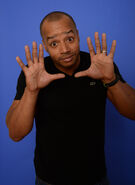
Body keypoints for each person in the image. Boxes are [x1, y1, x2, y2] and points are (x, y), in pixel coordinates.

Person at [6, 11, 135, 185]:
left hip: (95, 177)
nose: (65, 49)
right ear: (44, 46)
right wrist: (32, 90)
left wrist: (110, 79)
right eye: (54, 43)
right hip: (48, 179)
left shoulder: (99, 63)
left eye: (69, 39)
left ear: (78, 35)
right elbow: (15, 133)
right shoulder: (33, 72)